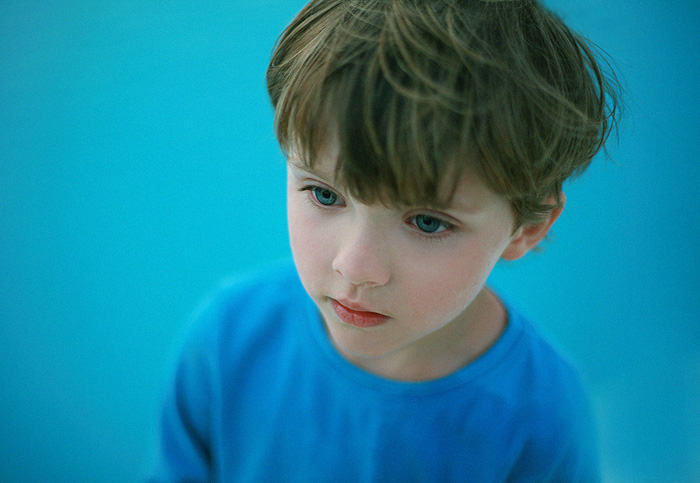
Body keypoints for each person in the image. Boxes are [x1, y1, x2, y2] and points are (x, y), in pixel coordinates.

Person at [146, 0, 620, 481]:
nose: (355, 267)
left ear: (528, 228)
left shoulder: (542, 417)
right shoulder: (228, 339)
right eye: (325, 194)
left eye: (428, 222)